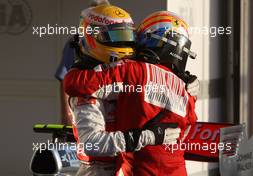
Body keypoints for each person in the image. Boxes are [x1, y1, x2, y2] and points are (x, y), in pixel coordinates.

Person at [64, 11, 198, 176]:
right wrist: (147, 137)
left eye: (130, 37)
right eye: (115, 36)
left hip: (126, 169)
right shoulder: (187, 89)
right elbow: (92, 144)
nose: (127, 43)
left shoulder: (132, 71)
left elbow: (75, 83)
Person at [54, 0, 111, 125]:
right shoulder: (76, 41)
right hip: (84, 107)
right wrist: (67, 114)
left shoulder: (117, 39)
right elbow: (64, 78)